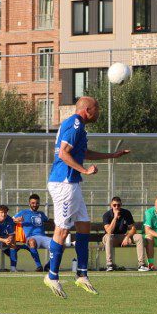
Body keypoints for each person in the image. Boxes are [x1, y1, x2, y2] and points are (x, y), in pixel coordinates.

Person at [43, 96, 131, 298]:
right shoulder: (75, 124)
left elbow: (81, 152)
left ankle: (82, 274)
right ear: (87, 110)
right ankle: (52, 276)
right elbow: (63, 154)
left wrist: (111, 155)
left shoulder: (79, 127)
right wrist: (84, 170)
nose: (98, 112)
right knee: (62, 231)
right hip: (64, 183)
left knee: (84, 225)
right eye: (97, 108)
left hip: (72, 183)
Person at [102, 196, 147, 272]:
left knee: (139, 236)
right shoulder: (106, 215)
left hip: (123, 237)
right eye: (114, 205)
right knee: (109, 236)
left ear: (121, 205)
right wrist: (115, 217)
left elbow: (133, 229)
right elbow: (109, 231)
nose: (116, 207)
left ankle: (141, 265)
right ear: (111, 205)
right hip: (111, 238)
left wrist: (127, 237)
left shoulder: (126, 213)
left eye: (118, 205)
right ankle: (109, 265)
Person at [13, 193, 51, 271]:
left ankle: (48, 266)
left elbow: (49, 221)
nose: (35, 205)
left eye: (37, 203)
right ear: (29, 203)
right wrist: (15, 220)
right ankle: (39, 266)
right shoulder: (23, 212)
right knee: (31, 242)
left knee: (60, 245)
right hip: (31, 238)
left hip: (43, 237)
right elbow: (10, 220)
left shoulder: (41, 214)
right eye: (33, 203)